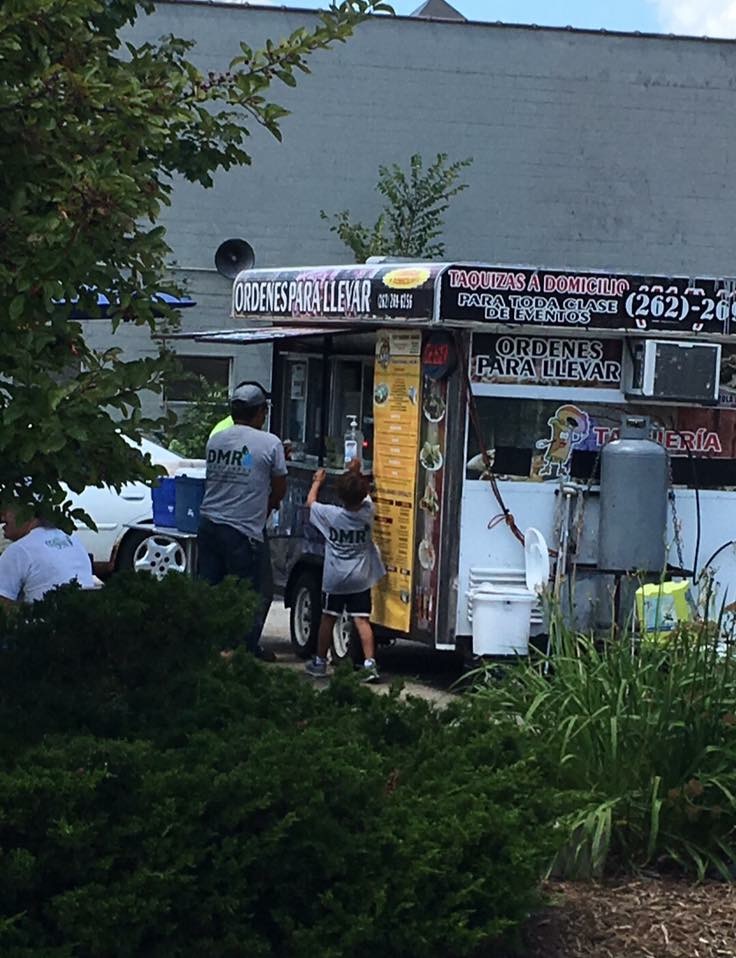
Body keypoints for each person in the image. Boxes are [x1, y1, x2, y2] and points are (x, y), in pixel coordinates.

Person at [198, 381, 287, 659]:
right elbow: (279, 485)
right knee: (253, 591)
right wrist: (268, 507)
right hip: (243, 530)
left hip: (209, 524)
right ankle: (243, 649)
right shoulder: (270, 443)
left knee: (210, 588)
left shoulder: (216, 439)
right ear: (260, 412)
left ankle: (208, 646)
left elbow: (237, 469)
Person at [304, 460, 386, 683]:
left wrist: (317, 482)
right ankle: (370, 665)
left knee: (328, 618)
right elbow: (363, 494)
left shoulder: (331, 515)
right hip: (360, 578)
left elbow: (310, 503)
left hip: (335, 578)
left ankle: (320, 662)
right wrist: (356, 472)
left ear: (339, 496)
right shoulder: (368, 512)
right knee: (362, 620)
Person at [0, 508, 96, 606]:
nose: (2, 517)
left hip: (46, 618)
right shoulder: (73, 539)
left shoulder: (20, 549)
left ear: (27, 512)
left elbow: (2, 605)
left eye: (5, 509)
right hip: (84, 615)